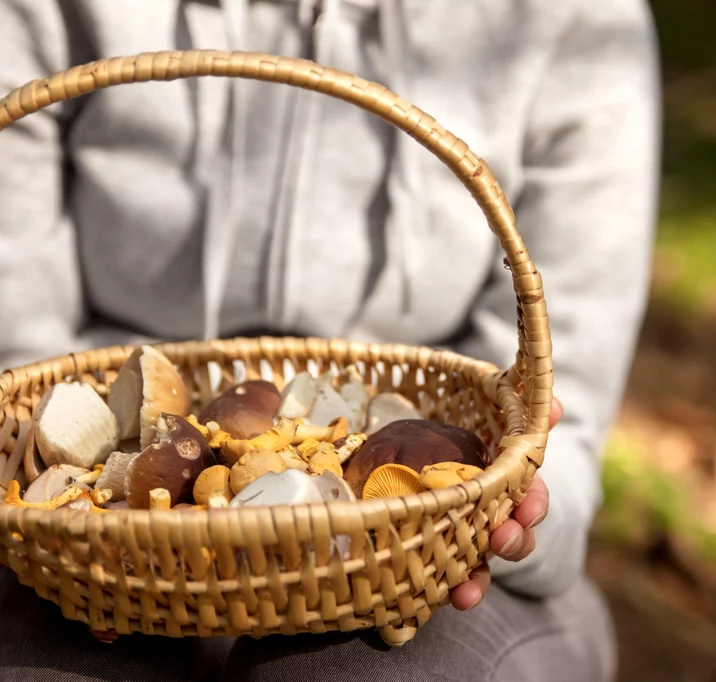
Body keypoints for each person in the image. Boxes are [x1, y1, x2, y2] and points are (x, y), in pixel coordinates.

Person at [0, 0, 660, 680]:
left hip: (412, 543)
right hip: (90, 539)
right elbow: (22, 372)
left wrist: (508, 516)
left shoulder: (574, 18)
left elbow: (558, 415)